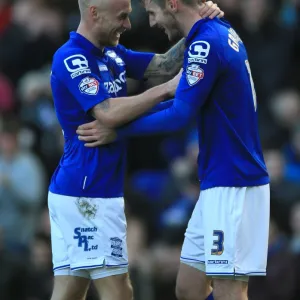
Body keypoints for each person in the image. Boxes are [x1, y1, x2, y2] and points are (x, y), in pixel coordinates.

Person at [77, 1, 270, 300]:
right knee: (189, 289)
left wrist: (119, 130)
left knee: (229, 290)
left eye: (152, 12)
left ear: (172, 4)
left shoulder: (206, 42)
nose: (152, 22)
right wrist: (121, 127)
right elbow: (181, 100)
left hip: (235, 183)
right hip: (217, 181)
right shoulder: (209, 34)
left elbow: (180, 114)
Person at [49, 0, 223, 299]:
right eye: (122, 17)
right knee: (120, 292)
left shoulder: (112, 53)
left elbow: (165, 65)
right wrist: (167, 89)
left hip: (87, 190)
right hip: (88, 193)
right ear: (94, 13)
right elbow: (107, 112)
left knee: (70, 290)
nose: (128, 25)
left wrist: (202, 25)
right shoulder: (72, 58)